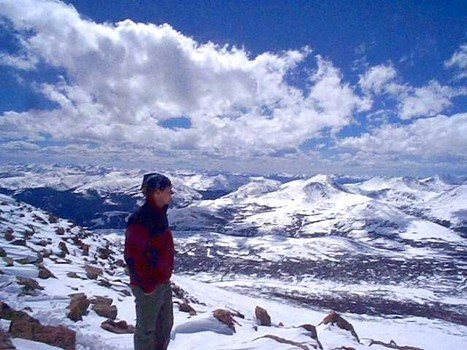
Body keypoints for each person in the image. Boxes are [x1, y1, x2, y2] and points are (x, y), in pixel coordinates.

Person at [124, 173, 175, 350]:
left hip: (162, 282)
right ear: (157, 192)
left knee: (165, 326)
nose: (171, 195)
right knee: (146, 330)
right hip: (148, 285)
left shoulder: (159, 214)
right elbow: (133, 255)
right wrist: (147, 285)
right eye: (169, 191)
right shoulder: (140, 219)